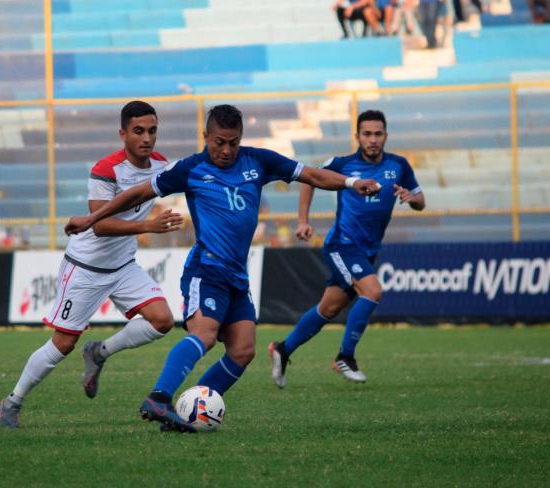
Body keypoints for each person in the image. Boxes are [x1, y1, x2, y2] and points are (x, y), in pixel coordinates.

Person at [65, 104, 382, 432]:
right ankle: (159, 397)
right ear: (206, 137)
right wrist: (91, 218)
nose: (226, 150)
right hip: (206, 269)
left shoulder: (258, 160)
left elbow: (312, 175)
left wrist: (351, 182)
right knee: (205, 334)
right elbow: (137, 193)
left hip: (237, 276)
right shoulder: (190, 169)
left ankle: (190, 412)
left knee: (244, 350)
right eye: (219, 142)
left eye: (233, 142)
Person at [0, 101, 184, 428]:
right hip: (86, 267)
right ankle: (12, 402)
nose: (147, 138)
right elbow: (100, 224)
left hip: (123, 266)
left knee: (162, 320)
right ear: (123, 133)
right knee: (64, 343)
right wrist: (148, 226)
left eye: (152, 131)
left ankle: (99, 352)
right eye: (138, 131)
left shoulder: (161, 165)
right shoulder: (106, 169)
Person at [269, 110, 425, 389]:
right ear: (357, 137)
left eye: (378, 134)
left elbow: (421, 201)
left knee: (328, 308)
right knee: (373, 290)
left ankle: (283, 349)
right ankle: (345, 357)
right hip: (342, 244)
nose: (373, 139)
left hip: (368, 250)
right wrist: (303, 221)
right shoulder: (343, 164)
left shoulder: (399, 165)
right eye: (367, 134)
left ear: (386, 136)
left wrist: (411, 198)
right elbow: (309, 178)